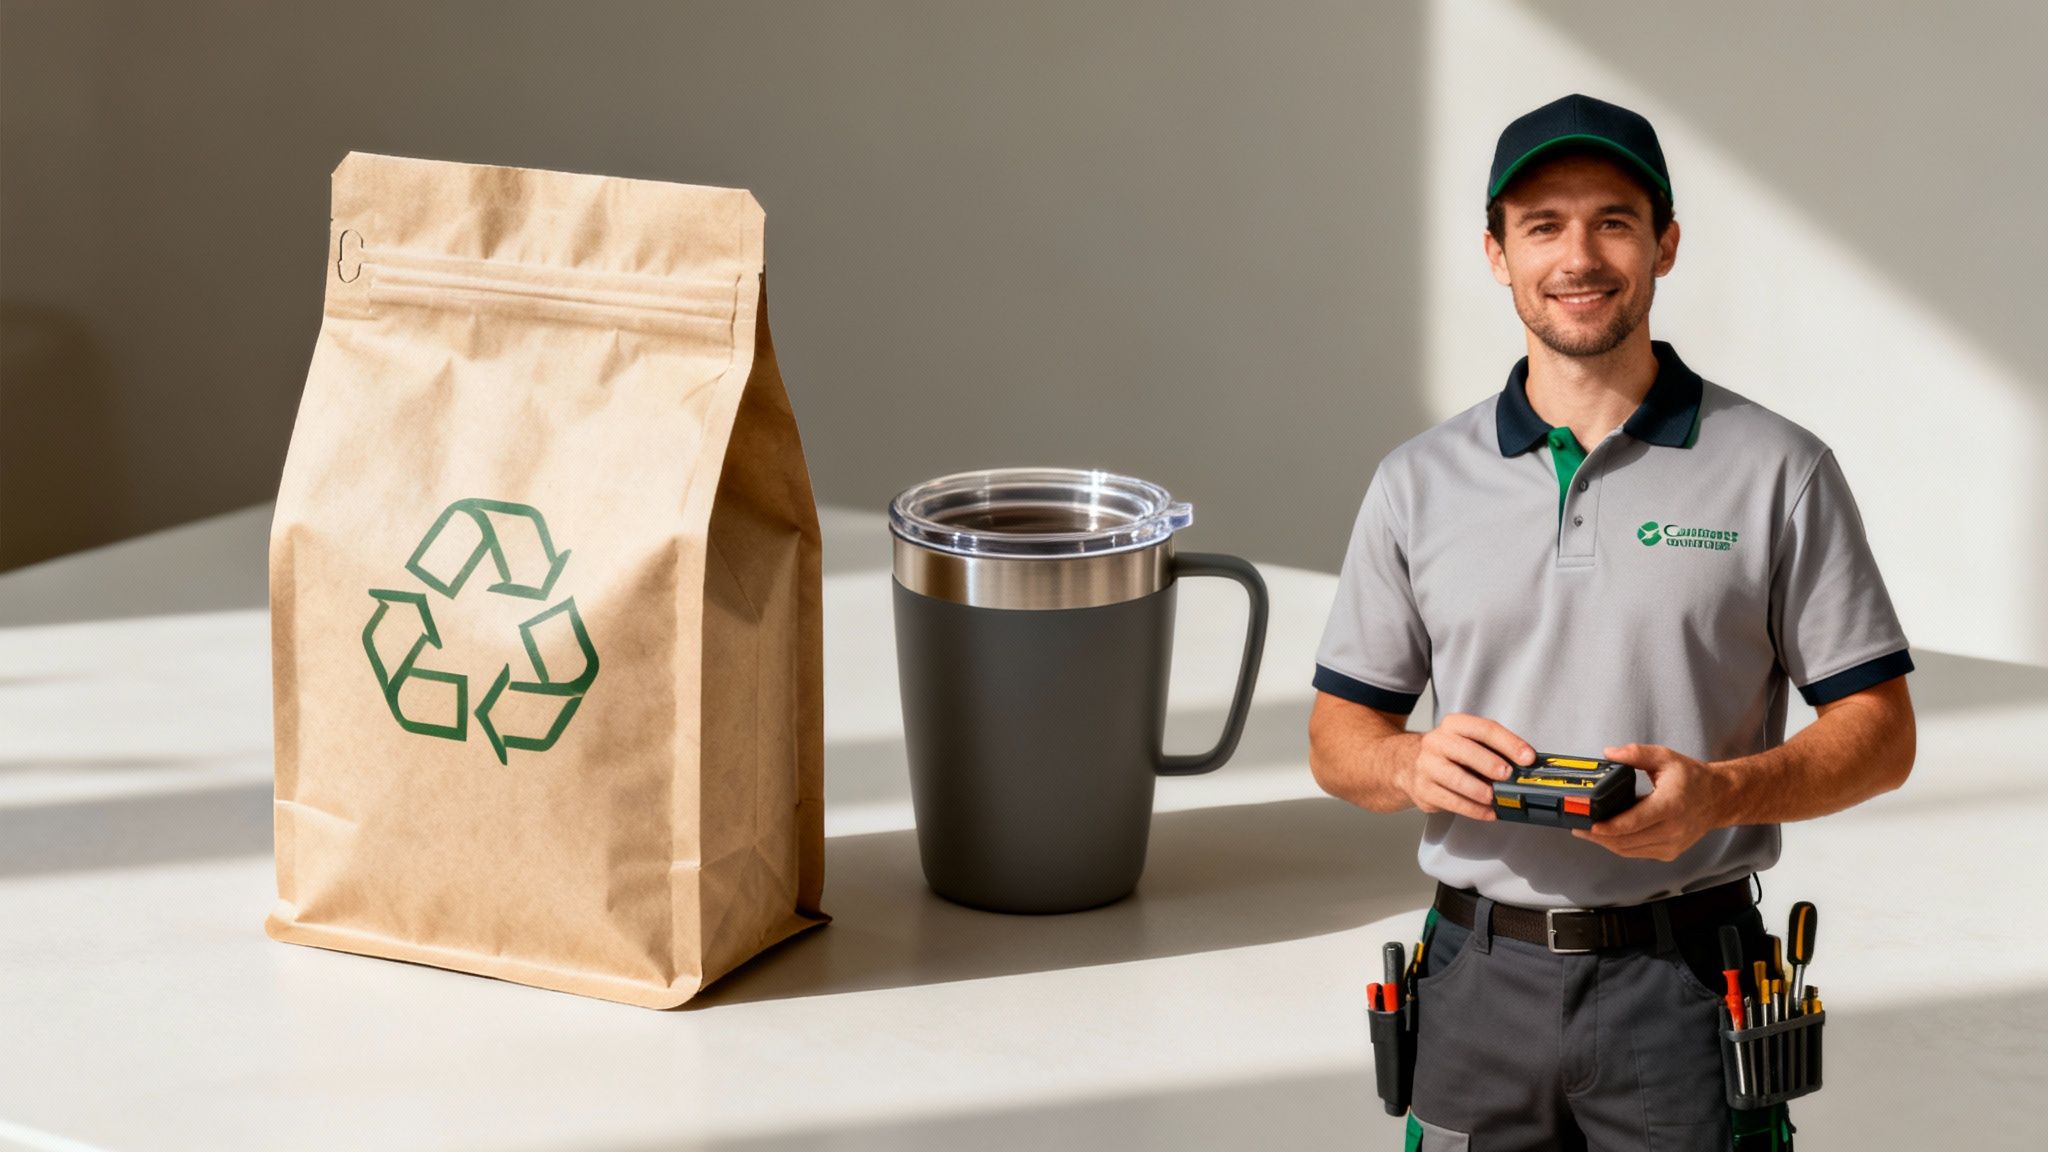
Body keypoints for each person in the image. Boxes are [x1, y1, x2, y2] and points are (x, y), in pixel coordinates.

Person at [1307, 93, 1915, 1150]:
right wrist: (1406, 765)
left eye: (1611, 221)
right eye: (1540, 225)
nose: (1575, 255)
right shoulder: (1414, 483)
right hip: (1470, 976)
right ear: (1495, 255)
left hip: (1684, 980)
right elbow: (1335, 740)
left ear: (1662, 245)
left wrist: (1721, 792)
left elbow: (1881, 733)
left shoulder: (1778, 470)